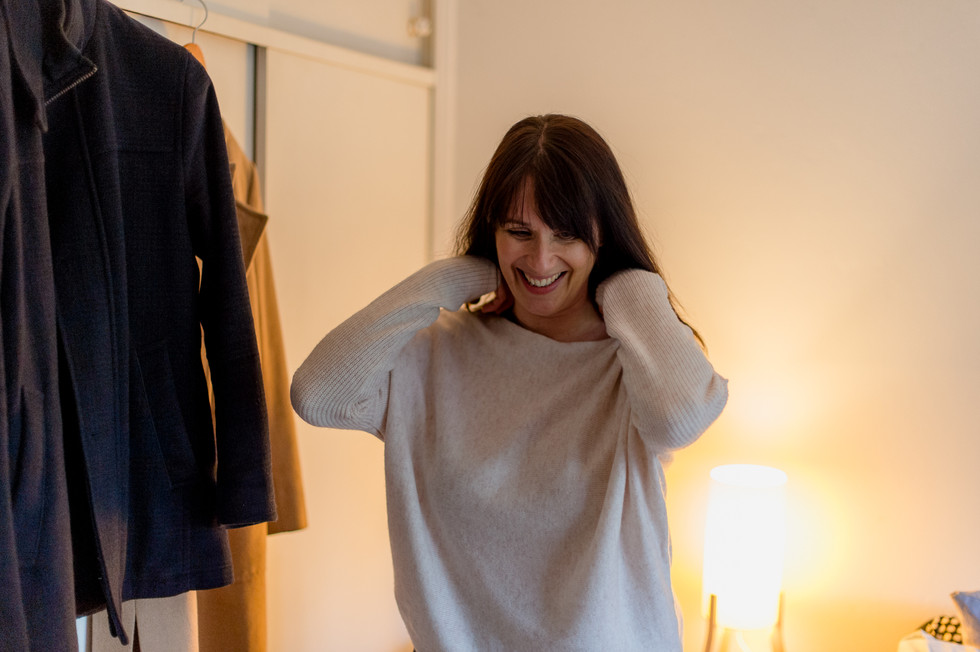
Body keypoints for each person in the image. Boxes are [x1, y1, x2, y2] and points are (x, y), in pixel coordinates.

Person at [290, 114, 728, 651]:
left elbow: (683, 419)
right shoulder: (436, 354)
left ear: (603, 234)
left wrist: (625, 288)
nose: (540, 259)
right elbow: (316, 395)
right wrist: (452, 276)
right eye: (519, 232)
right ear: (491, 232)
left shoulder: (634, 367)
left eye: (567, 234)